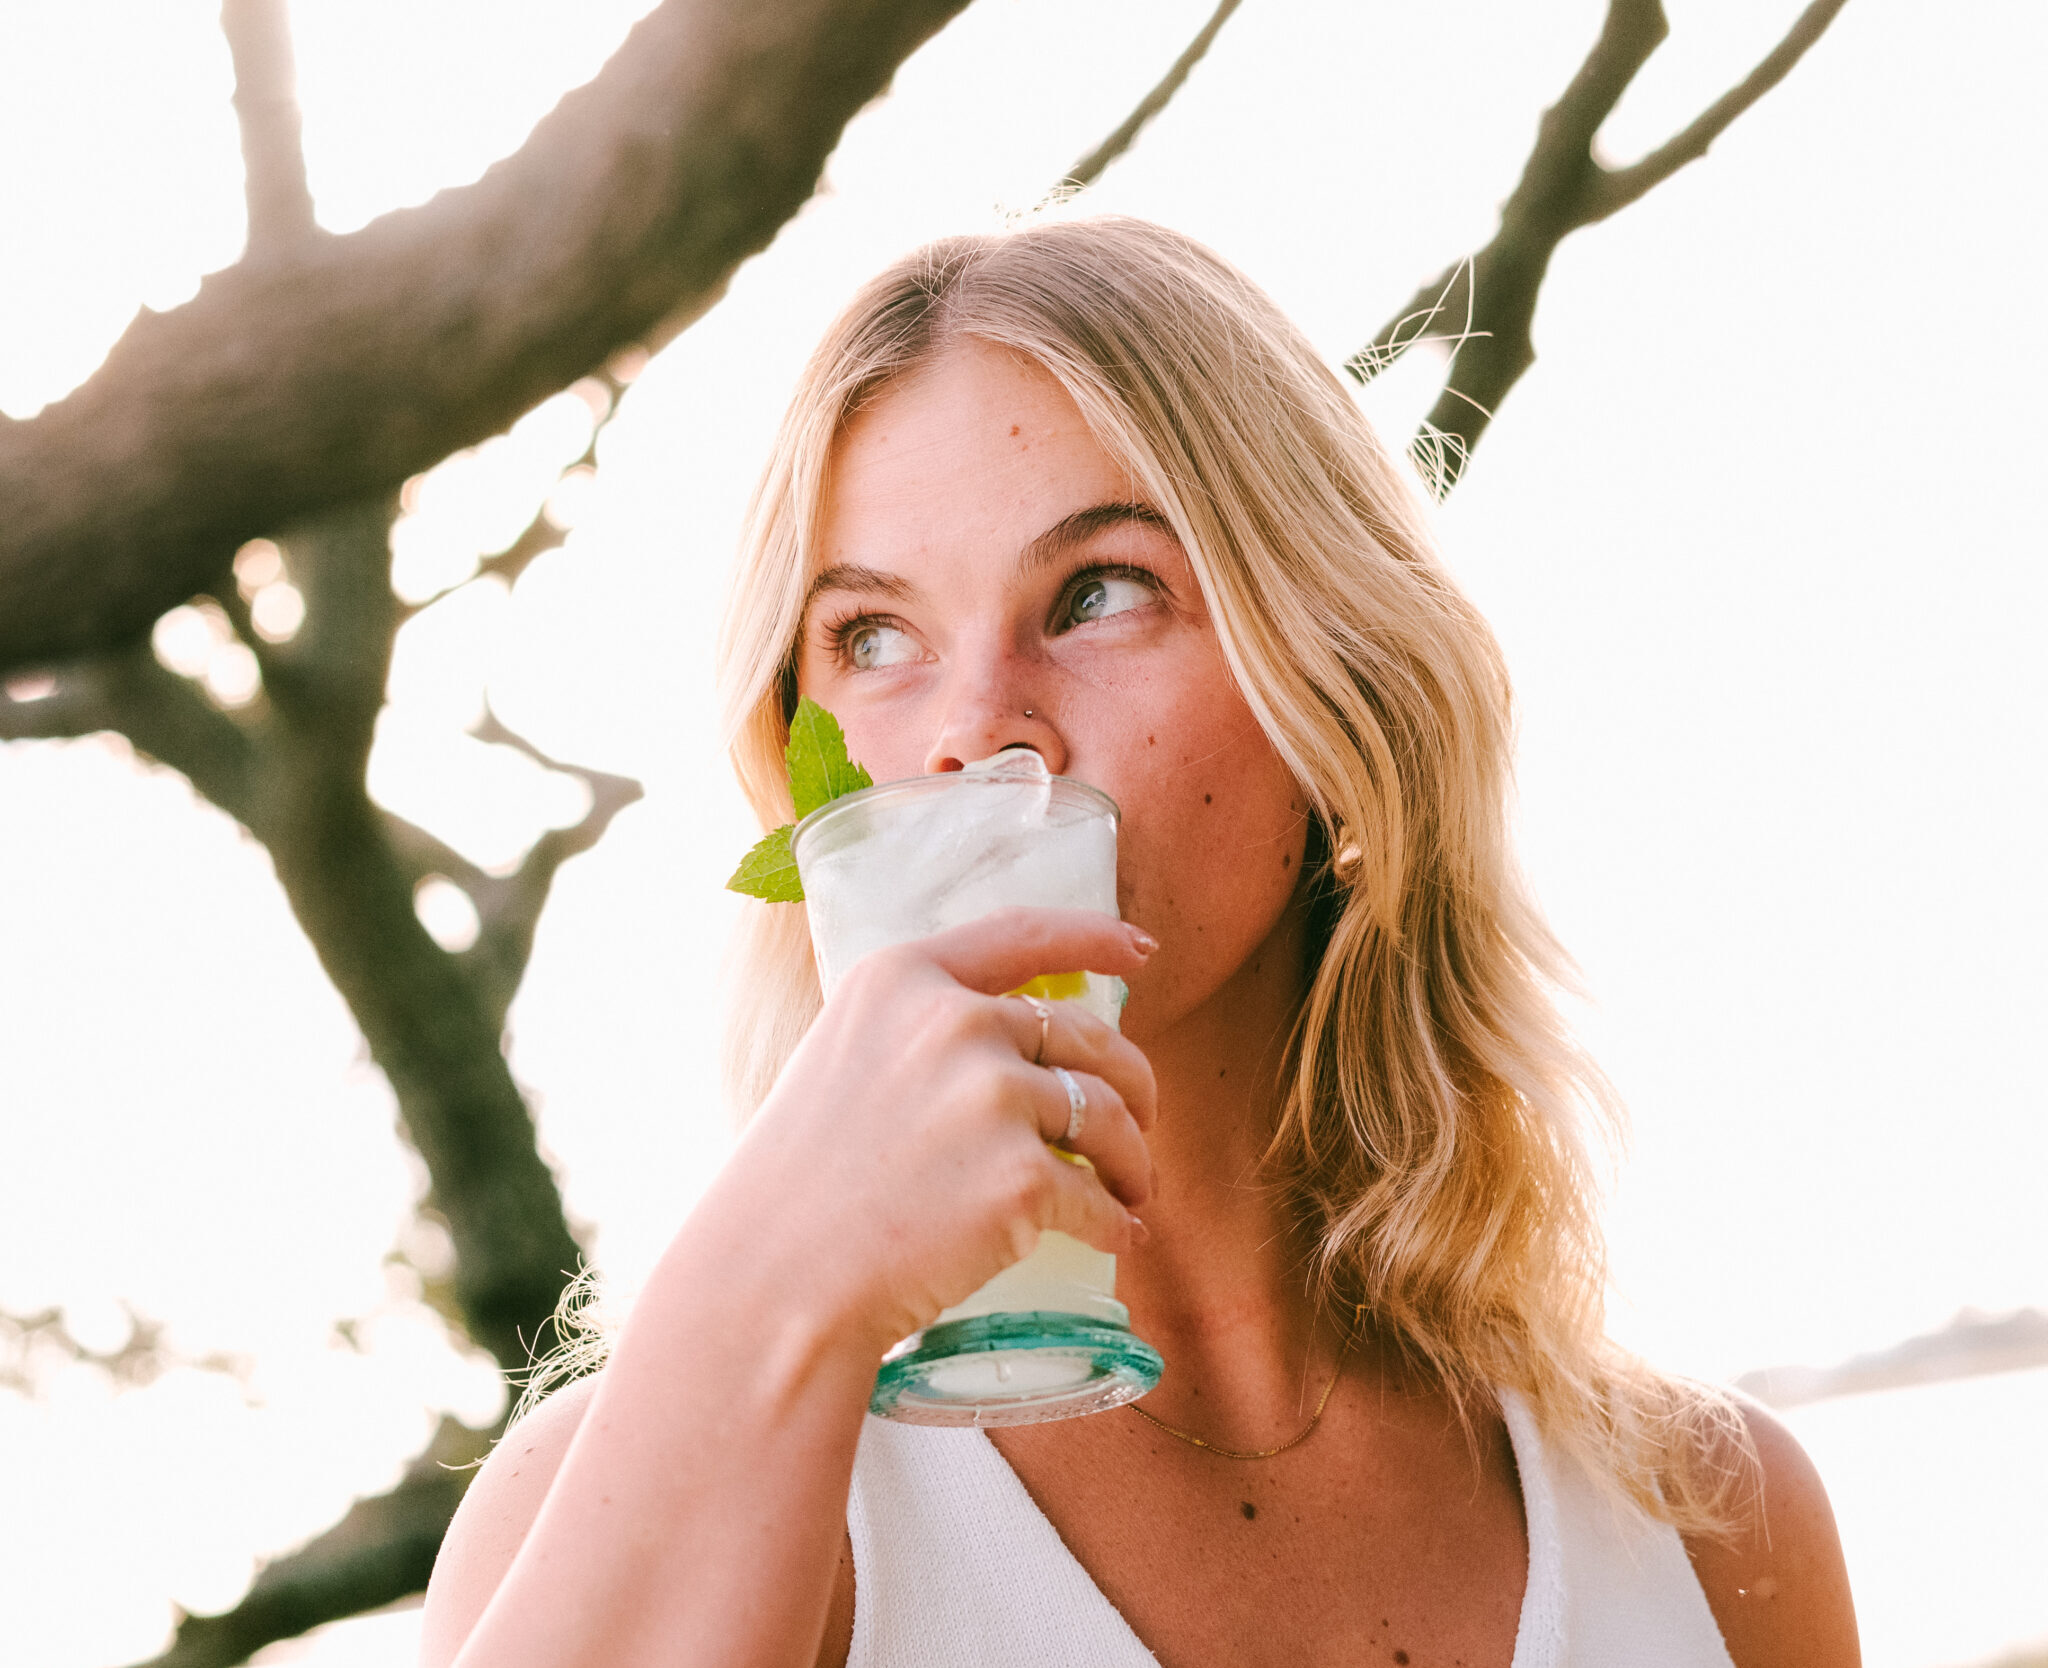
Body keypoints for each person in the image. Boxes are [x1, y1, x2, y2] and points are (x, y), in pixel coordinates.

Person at [418, 216, 1859, 1668]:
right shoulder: (623, 1510)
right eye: (870, 635)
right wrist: (761, 1288)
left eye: (1098, 591)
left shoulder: (1709, 1528)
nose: (977, 726)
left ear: (1337, 699)